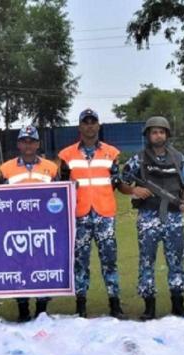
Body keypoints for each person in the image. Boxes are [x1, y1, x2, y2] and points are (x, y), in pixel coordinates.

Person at [120, 116, 184, 320]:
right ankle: (149, 307)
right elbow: (121, 181)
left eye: (161, 132)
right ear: (148, 135)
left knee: (176, 260)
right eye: (154, 132)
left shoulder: (178, 158)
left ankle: (178, 303)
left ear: (167, 135)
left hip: (173, 217)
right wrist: (135, 190)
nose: (158, 135)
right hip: (148, 217)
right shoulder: (139, 159)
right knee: (147, 261)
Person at [58, 108, 126, 319]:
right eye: (85, 122)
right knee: (80, 261)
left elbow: (117, 182)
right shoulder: (66, 155)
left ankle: (115, 304)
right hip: (79, 215)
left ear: (98, 126)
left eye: (93, 122)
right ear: (79, 127)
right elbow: (61, 186)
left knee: (109, 260)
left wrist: (133, 189)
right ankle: (81, 306)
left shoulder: (111, 153)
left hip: (105, 213)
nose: (89, 126)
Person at [0, 125, 59, 322]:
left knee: (43, 266)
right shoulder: (6, 169)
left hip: (44, 228)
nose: (28, 145)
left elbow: (60, 197)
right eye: (24, 141)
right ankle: (23, 309)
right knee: (19, 268)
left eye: (31, 141)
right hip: (17, 229)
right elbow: (0, 200)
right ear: (18, 144)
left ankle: (41, 309)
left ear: (38, 144)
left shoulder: (51, 168)